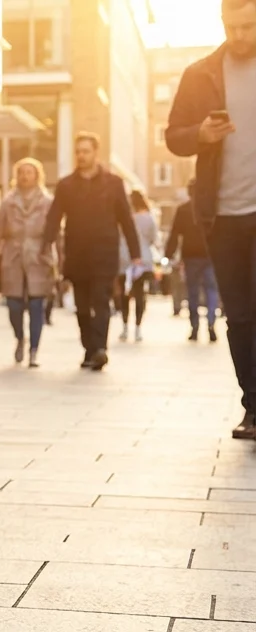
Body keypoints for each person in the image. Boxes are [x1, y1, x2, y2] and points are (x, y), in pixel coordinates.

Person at [167, 0, 256, 437]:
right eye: (232, 27)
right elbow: (173, 136)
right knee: (238, 314)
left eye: (249, 26)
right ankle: (254, 408)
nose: (239, 36)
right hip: (222, 215)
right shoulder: (199, 74)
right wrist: (199, 134)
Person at [42, 132, 143, 371]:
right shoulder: (66, 185)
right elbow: (54, 216)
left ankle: (100, 349)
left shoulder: (113, 183)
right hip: (77, 254)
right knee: (82, 305)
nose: (81, 156)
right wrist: (46, 244)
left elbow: (126, 220)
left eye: (86, 151)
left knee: (101, 301)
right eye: (78, 151)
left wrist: (135, 251)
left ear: (95, 153)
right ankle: (88, 347)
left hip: (105, 253)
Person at [0, 158, 57, 368]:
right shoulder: (8, 202)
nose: (26, 176)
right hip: (13, 256)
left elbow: (56, 234)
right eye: (22, 172)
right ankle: (19, 337)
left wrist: (58, 261)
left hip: (38, 256)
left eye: (30, 172)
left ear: (38, 175)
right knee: (14, 305)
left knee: (37, 305)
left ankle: (34, 350)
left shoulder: (47, 202)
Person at [165, 181, 220, 342]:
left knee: (193, 292)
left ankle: (194, 326)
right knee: (211, 290)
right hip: (210, 255)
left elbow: (175, 234)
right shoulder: (212, 209)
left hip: (191, 256)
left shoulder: (183, 210)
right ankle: (211, 323)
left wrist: (168, 253)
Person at [116, 191, 160, 342]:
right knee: (140, 294)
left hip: (124, 259)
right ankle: (138, 328)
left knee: (124, 294)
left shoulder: (124, 218)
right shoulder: (149, 218)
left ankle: (124, 326)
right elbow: (154, 239)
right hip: (143, 260)